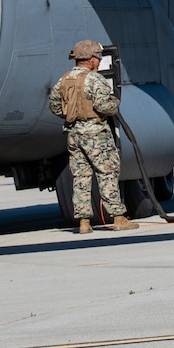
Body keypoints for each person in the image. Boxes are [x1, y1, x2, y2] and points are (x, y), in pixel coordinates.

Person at [49, 40, 137, 232]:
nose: (98, 61)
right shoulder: (94, 80)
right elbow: (104, 106)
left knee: (81, 176)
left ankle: (83, 221)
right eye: (97, 57)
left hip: (73, 134)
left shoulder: (64, 80)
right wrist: (114, 103)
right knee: (107, 172)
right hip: (95, 134)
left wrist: (73, 115)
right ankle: (118, 217)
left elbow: (55, 106)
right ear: (89, 60)